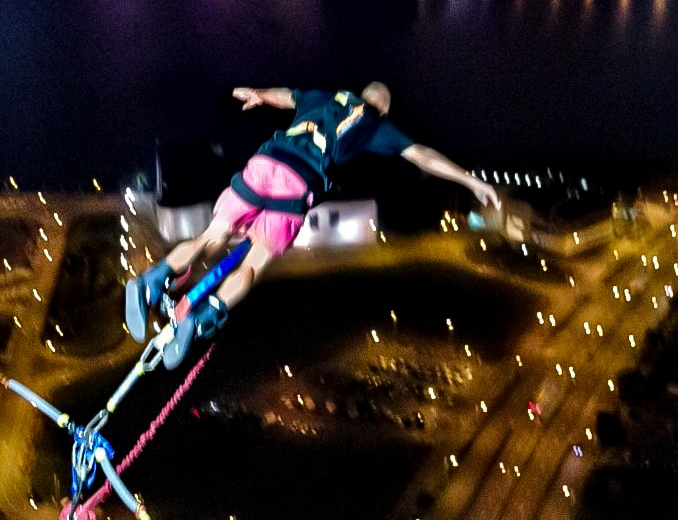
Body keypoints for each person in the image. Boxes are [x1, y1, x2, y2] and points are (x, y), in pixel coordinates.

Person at [126, 83, 501, 368]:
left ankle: (153, 278)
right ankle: (204, 318)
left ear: (359, 93)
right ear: (383, 109)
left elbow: (285, 95)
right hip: (297, 184)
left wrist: (257, 94)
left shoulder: (323, 97)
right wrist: (472, 181)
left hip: (265, 163)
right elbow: (422, 155)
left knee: (212, 235)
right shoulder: (373, 124)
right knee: (253, 264)